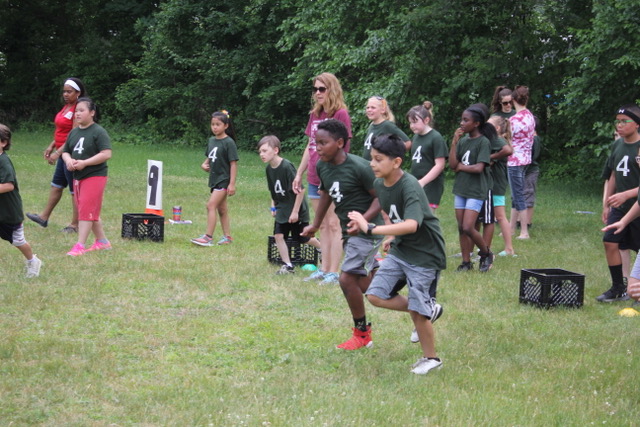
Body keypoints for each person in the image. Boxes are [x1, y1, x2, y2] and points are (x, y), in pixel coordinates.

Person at [348, 134, 446, 375]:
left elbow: (412, 223)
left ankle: (431, 358)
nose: (372, 163)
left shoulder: (410, 185)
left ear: (397, 162)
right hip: (403, 248)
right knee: (375, 295)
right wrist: (391, 236)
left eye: (378, 159)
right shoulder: (381, 184)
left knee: (418, 309)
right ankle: (426, 308)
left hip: (425, 254)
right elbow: (389, 210)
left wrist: (372, 229)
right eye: (372, 158)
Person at [300, 119, 382, 350]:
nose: (319, 148)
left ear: (340, 143)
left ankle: (362, 334)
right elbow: (326, 194)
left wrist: (363, 220)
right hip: (350, 231)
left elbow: (380, 197)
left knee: (346, 279)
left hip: (367, 230)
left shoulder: (360, 167)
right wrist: (315, 225)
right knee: (369, 287)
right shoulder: (322, 166)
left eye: (323, 143)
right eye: (316, 143)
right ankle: (413, 300)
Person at [293, 73, 352, 285]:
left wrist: (338, 177)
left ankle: (334, 272)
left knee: (335, 224)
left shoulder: (341, 114)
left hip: (332, 177)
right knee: (323, 225)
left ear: (332, 90)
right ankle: (323, 268)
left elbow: (344, 149)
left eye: (322, 89)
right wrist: (299, 173)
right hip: (314, 176)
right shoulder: (315, 115)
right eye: (315, 89)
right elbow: (310, 147)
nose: (317, 93)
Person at [27, 77, 86, 232]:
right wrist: (51, 145)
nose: (65, 94)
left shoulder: (78, 109)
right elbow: (61, 130)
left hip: (72, 154)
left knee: (74, 190)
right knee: (56, 185)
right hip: (62, 152)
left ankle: (75, 225)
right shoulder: (66, 107)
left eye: (69, 91)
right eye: (64, 91)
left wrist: (58, 152)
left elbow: (73, 134)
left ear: (78, 93)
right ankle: (43, 217)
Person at [258, 135, 320, 274]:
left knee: (303, 238)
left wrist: (295, 212)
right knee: (279, 236)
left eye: (265, 151)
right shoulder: (269, 169)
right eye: (260, 152)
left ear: (275, 150)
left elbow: (301, 190)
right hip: (282, 208)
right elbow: (273, 191)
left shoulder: (286, 166)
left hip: (295, 207)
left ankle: (322, 248)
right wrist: (273, 207)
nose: (262, 154)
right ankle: (288, 265)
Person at [597, 104, 640, 302]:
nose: (619, 125)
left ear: (637, 124)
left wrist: (627, 195)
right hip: (620, 207)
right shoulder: (617, 145)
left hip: (637, 206)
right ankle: (617, 287)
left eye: (625, 122)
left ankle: (635, 286)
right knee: (610, 242)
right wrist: (607, 203)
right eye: (618, 121)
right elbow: (612, 175)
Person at [60, 98, 112, 256]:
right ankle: (102, 242)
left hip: (94, 175)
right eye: (76, 111)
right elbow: (66, 150)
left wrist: (85, 163)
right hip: (78, 176)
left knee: (86, 210)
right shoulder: (74, 132)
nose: (77, 113)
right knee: (89, 210)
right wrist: (69, 160)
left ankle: (80, 245)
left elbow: (106, 153)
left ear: (92, 113)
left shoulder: (98, 131)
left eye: (81, 110)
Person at [449, 103, 495, 272]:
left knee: (469, 226)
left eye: (465, 120)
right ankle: (466, 262)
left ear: (476, 123)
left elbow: (479, 168)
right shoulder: (463, 141)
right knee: (461, 227)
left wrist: (461, 167)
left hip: (476, 190)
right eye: (462, 119)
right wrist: (454, 142)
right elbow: (453, 164)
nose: (462, 123)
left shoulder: (483, 142)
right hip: (461, 189)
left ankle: (485, 253)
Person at [0, 124, 43, 277]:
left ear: (3, 142)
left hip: (9, 212)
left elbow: (8, 186)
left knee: (18, 241)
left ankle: (33, 261)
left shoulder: (4, 162)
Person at [191, 110, 239, 246]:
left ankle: (208, 237)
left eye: (218, 124)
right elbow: (211, 155)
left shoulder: (229, 142)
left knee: (210, 205)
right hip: (214, 180)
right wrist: (204, 164)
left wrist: (232, 184)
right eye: (212, 124)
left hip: (224, 180)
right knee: (221, 209)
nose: (215, 127)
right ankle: (227, 237)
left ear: (226, 126)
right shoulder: (212, 141)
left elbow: (233, 164)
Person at [407, 101, 448, 213]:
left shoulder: (436, 138)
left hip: (431, 185)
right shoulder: (415, 137)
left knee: (427, 218)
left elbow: (440, 165)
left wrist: (423, 182)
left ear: (426, 120)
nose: (412, 126)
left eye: (415, 122)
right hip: (417, 182)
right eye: (410, 123)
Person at [507, 85, 536, 240]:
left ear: (512, 100)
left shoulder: (513, 120)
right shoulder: (530, 116)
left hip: (514, 161)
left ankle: (524, 231)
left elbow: (508, 140)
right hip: (526, 159)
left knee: (518, 195)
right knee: (515, 194)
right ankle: (511, 228)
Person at [486, 115, 515, 256]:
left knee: (500, 216)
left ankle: (509, 248)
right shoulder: (493, 141)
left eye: (489, 124)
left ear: (497, 128)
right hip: (492, 183)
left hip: (497, 184)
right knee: (489, 216)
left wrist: (487, 158)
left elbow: (490, 161)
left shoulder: (497, 141)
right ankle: (486, 246)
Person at [361, 96, 410, 161]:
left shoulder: (387, 125)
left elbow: (408, 143)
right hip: (367, 166)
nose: (369, 110)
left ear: (383, 110)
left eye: (373, 107)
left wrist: (391, 157)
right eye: (368, 107)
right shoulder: (371, 126)